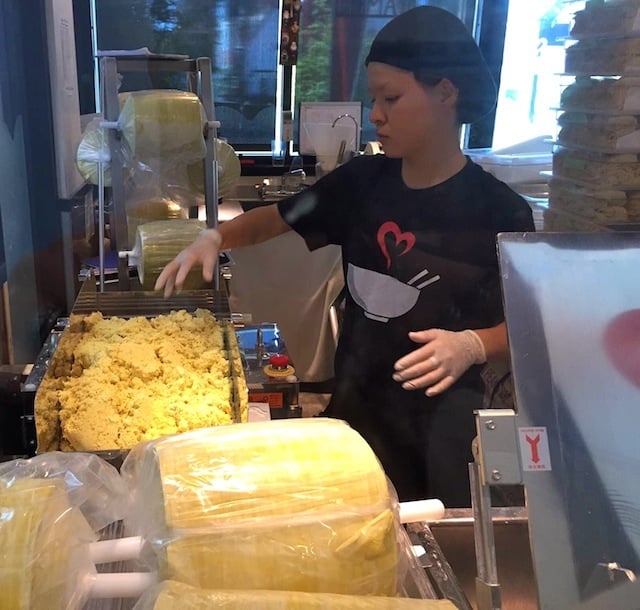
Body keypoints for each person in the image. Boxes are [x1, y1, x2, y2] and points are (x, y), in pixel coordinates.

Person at [155, 6, 535, 507]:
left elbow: (534, 331)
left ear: (447, 93)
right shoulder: (361, 183)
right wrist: (216, 238)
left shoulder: (501, 211)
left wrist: (474, 344)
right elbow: (278, 217)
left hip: (441, 434)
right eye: (374, 97)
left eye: (391, 98)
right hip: (356, 411)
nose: (374, 113)